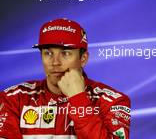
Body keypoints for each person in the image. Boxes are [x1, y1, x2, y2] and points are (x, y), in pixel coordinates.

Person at [0, 19, 131, 139]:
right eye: (48, 53)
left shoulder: (113, 102)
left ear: (83, 59)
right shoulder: (13, 99)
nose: (55, 62)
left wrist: (79, 100)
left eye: (65, 53)